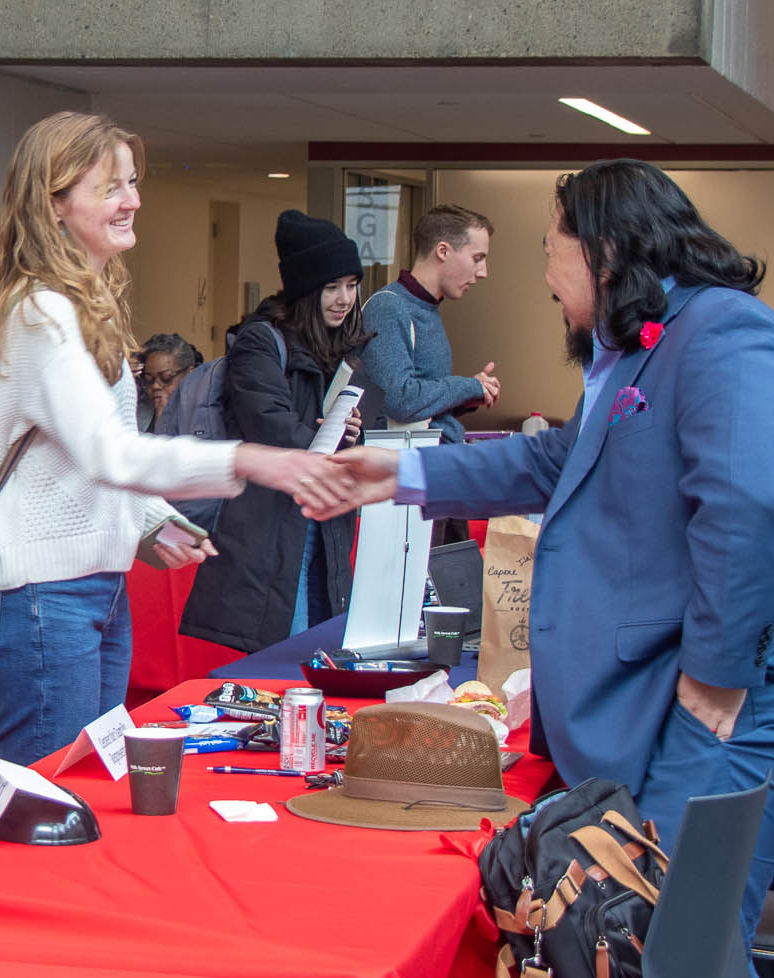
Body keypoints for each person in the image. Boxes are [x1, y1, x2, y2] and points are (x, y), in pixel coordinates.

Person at [316, 159, 774, 956]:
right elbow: (548, 462)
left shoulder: (719, 329)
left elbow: (744, 503)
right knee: (626, 941)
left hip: (700, 714)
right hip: (642, 710)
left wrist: (716, 671)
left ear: (605, 248)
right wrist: (400, 473)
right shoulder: (635, 352)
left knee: (680, 947)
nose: (546, 277)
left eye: (549, 247)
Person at [0, 111, 353, 765]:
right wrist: (254, 458)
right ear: (53, 203)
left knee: (83, 791)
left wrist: (148, 520)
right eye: (111, 186)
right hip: (43, 598)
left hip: (93, 589)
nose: (133, 199)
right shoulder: (40, 311)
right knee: (47, 798)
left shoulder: (82, 303)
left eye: (133, 182)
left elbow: (93, 451)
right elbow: (109, 453)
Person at [179, 210, 367, 653]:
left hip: (320, 521)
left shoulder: (341, 344)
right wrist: (329, 443)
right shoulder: (261, 340)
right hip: (270, 527)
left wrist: (348, 434)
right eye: (331, 287)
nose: (344, 298)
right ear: (305, 288)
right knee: (291, 663)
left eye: (352, 285)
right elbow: (271, 425)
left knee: (322, 657)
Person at [359, 204, 501, 442]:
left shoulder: (426, 308)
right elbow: (398, 401)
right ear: (443, 251)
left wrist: (467, 396)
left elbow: (421, 407)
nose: (483, 272)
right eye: (477, 258)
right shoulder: (388, 307)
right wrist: (466, 387)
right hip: (413, 469)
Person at [133, 331, 201, 431]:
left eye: (166, 378)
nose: (155, 386)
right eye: (148, 380)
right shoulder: (138, 410)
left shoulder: (204, 411)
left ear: (190, 374)